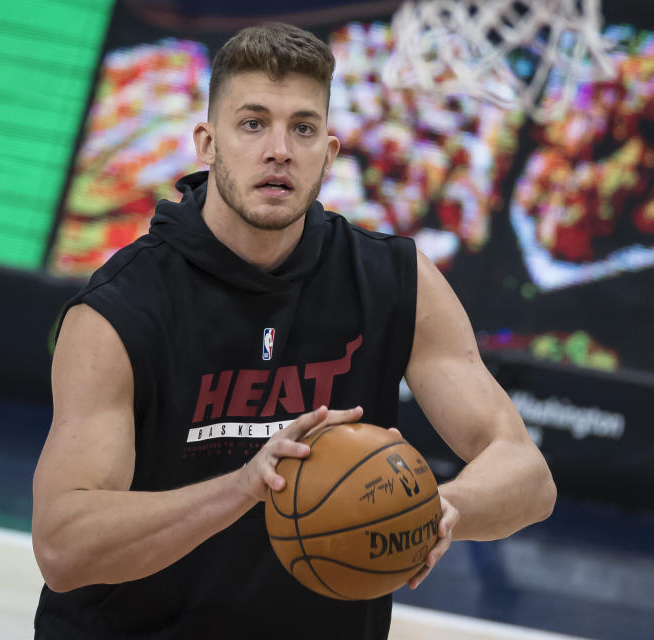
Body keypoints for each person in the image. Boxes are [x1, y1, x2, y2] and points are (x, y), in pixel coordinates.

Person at [31, 22, 555, 639]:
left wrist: (434, 511)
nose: (279, 149)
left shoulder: (394, 278)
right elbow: (64, 547)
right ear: (207, 144)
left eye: (302, 128)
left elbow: (527, 474)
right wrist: (246, 486)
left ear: (328, 154)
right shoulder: (120, 309)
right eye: (252, 123)